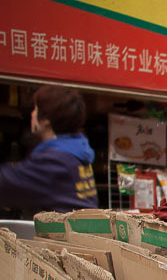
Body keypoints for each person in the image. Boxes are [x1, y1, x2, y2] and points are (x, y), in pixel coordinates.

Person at [0, 85, 98, 218]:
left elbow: (6, 184)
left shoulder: (55, 161)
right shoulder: (75, 151)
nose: (32, 114)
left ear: (46, 120)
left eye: (35, 109)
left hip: (65, 236)